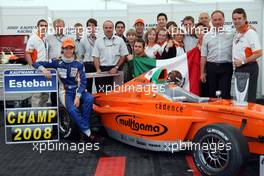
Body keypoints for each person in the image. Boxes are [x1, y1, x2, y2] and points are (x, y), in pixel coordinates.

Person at [32, 39, 95, 141]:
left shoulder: (79, 63)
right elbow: (36, 63)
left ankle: (84, 129)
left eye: (71, 48)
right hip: (65, 92)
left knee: (90, 98)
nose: (68, 50)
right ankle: (88, 132)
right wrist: (43, 69)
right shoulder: (57, 61)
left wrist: (78, 96)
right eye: (66, 48)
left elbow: (83, 82)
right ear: (62, 50)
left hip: (79, 90)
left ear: (74, 50)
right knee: (73, 110)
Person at [201, 10, 234, 99]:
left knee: (225, 94)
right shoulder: (207, 36)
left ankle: (225, 112)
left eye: (219, 19)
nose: (217, 22)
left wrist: (249, 27)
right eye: (215, 20)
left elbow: (243, 31)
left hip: (226, 67)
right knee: (212, 93)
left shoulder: (232, 33)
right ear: (211, 21)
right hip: (211, 67)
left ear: (224, 20)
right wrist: (202, 73)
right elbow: (203, 56)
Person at [232, 8, 262, 102]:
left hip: (248, 67)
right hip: (240, 68)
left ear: (245, 19)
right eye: (234, 19)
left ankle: (250, 116)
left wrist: (242, 62)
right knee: (241, 97)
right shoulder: (237, 32)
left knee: (248, 97)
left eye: (239, 18)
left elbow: (258, 53)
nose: (237, 21)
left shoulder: (251, 33)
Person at [92, 20, 129, 92]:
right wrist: (98, 69)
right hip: (102, 70)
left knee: (117, 93)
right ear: (103, 29)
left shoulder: (120, 40)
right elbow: (95, 57)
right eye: (106, 28)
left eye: (110, 27)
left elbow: (123, 55)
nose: (108, 29)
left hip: (116, 70)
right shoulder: (98, 41)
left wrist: (116, 67)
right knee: (102, 93)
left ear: (113, 28)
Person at [26, 19, 49, 107]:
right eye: (41, 25)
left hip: (45, 69)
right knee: (37, 94)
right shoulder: (33, 38)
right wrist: (32, 66)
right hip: (37, 70)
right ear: (37, 27)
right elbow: (28, 53)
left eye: (45, 26)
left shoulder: (45, 38)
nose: (43, 27)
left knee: (45, 93)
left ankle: (43, 114)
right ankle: (35, 115)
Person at [79, 18, 98, 93]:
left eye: (93, 25)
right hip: (87, 64)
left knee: (99, 84)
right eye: (89, 26)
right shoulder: (83, 40)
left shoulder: (100, 38)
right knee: (87, 85)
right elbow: (81, 54)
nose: (91, 27)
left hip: (98, 64)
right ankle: (88, 102)